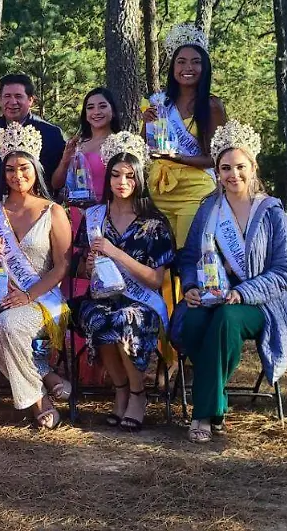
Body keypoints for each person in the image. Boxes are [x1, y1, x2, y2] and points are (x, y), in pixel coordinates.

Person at [174, 120, 287, 444]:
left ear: (253, 167)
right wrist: (190, 287)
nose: (233, 174)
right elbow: (189, 257)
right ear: (217, 171)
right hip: (210, 296)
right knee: (192, 322)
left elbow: (285, 272)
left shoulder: (271, 212)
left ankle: (203, 413)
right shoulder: (208, 209)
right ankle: (218, 402)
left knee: (227, 320)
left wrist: (243, 292)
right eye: (225, 168)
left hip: (260, 303)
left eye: (240, 167)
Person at [0, 122, 72, 429]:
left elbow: (62, 265)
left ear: (36, 169)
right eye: (10, 169)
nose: (17, 175)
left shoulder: (53, 212)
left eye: (24, 168)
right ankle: (44, 378)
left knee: (8, 325)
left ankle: (38, 404)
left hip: (41, 299)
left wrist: (28, 294)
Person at [73, 133, 175, 431]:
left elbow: (155, 280)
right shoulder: (95, 217)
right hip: (101, 297)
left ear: (140, 180)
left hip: (141, 301)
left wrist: (115, 252)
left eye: (130, 176)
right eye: (116, 175)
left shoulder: (154, 223)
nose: (122, 182)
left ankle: (138, 394)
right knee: (97, 317)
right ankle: (120, 391)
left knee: (124, 319)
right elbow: (79, 268)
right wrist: (87, 267)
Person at [142, 24, 228, 247]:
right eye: (181, 61)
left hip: (195, 192)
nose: (188, 67)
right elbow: (146, 149)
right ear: (173, 67)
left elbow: (218, 158)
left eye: (195, 62)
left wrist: (178, 157)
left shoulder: (212, 106)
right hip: (160, 190)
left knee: (189, 256)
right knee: (162, 257)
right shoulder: (161, 103)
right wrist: (146, 124)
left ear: (204, 67)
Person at [0, 74, 66, 199]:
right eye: (7, 96)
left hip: (39, 204)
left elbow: (58, 180)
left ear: (30, 100)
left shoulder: (51, 133)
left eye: (18, 96)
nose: (12, 102)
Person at [50, 87, 121, 203]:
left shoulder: (120, 143)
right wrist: (65, 160)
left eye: (102, 106)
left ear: (113, 111)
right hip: (77, 208)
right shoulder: (76, 144)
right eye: (90, 107)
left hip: (108, 209)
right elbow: (56, 184)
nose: (96, 112)